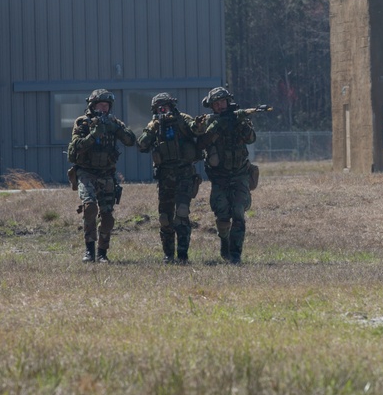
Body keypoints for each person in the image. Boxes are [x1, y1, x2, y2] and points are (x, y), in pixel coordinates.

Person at [67, 89, 136, 263]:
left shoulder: (113, 122)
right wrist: (94, 134)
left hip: (107, 174)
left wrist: (115, 128)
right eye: (100, 105)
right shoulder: (82, 123)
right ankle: (89, 251)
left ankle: (102, 253)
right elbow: (76, 147)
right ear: (92, 105)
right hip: (86, 173)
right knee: (89, 207)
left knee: (107, 216)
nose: (104, 108)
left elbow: (131, 140)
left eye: (106, 105)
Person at [136, 92, 202, 264]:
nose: (163, 110)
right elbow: (141, 145)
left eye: (165, 106)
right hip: (165, 177)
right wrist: (153, 127)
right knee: (165, 217)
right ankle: (168, 254)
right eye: (159, 107)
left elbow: (197, 129)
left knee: (181, 212)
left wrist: (180, 121)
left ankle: (182, 254)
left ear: (172, 106)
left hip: (184, 174)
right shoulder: (155, 125)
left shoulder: (183, 119)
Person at [193, 86, 257, 264]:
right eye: (216, 104)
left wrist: (242, 123)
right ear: (211, 107)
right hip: (219, 177)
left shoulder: (237, 118)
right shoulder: (209, 122)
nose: (221, 106)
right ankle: (225, 242)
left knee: (238, 213)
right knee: (222, 215)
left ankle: (235, 255)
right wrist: (216, 127)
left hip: (239, 174)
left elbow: (251, 138)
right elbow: (200, 143)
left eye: (223, 102)